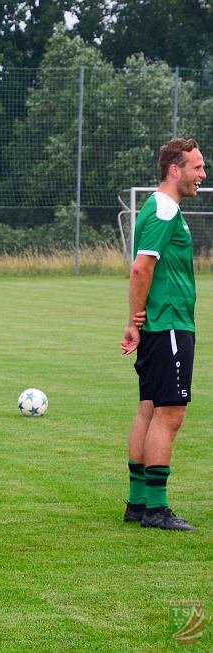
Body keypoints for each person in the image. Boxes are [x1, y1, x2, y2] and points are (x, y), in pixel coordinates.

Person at [120, 138, 205, 531]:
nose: (202, 176)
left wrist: (138, 323)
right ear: (176, 169)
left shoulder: (163, 206)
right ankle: (156, 508)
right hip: (169, 324)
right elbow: (141, 269)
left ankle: (139, 503)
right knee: (170, 414)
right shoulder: (166, 207)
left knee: (150, 408)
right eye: (197, 167)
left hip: (162, 325)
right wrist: (135, 321)